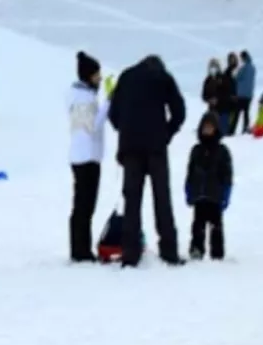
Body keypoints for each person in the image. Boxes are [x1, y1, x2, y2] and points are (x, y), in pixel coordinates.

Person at [108, 54, 187, 267]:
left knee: (132, 201)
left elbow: (113, 112)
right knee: (162, 199)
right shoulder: (162, 77)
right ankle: (169, 251)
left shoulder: (126, 77)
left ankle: (130, 253)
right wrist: (166, 133)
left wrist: (125, 130)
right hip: (156, 149)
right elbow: (179, 111)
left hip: (131, 149)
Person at [67, 51, 111, 262]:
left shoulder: (87, 95)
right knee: (83, 206)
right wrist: (108, 103)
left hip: (90, 156)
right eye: (96, 75)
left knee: (86, 206)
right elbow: (92, 126)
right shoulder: (81, 98)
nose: (100, 79)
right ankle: (79, 250)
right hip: (84, 158)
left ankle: (82, 248)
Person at [185, 113, 233, 261]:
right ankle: (196, 249)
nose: (207, 130)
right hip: (199, 194)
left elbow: (227, 174)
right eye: (205, 127)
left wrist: (226, 192)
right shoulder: (196, 150)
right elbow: (191, 171)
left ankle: (217, 252)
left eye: (210, 127)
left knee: (216, 225)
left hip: (215, 195)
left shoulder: (222, 151)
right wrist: (188, 189)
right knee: (197, 224)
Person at [231, 50, 256, 134]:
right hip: (249, 94)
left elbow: (237, 77)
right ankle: (245, 129)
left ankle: (232, 130)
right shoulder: (253, 68)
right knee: (246, 113)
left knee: (237, 113)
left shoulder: (243, 68)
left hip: (241, 94)